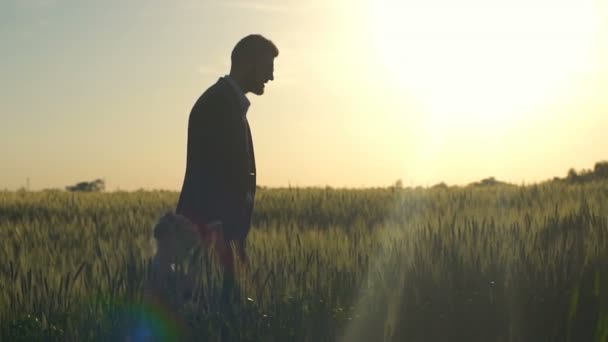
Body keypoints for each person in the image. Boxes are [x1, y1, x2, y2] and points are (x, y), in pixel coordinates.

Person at [175, 34, 278, 305]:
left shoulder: (227, 104)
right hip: (212, 241)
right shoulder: (217, 105)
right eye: (267, 67)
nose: (271, 76)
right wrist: (221, 236)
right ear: (248, 63)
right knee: (214, 315)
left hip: (221, 240)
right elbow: (206, 174)